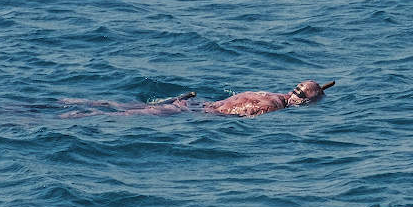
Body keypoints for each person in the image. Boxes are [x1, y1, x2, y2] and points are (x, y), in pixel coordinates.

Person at [57, 81, 334, 118]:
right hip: (193, 113)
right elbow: (238, 114)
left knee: (124, 107)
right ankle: (76, 115)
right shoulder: (272, 106)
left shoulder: (269, 93)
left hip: (192, 103)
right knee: (126, 116)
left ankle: (66, 102)